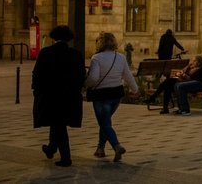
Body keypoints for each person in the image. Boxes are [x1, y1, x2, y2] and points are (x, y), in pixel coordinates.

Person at [32, 25, 85, 168]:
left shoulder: (46, 53)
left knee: (58, 125)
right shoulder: (76, 54)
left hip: (51, 96)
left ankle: (66, 158)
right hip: (70, 96)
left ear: (53, 37)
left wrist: (37, 92)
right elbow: (81, 76)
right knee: (58, 124)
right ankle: (51, 148)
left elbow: (37, 75)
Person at [86, 32, 139, 161]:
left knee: (104, 123)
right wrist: (135, 89)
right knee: (106, 122)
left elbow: (93, 78)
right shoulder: (120, 57)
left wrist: (86, 85)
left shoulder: (96, 58)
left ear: (100, 43)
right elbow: (128, 75)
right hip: (116, 94)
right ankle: (100, 149)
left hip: (101, 95)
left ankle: (117, 145)